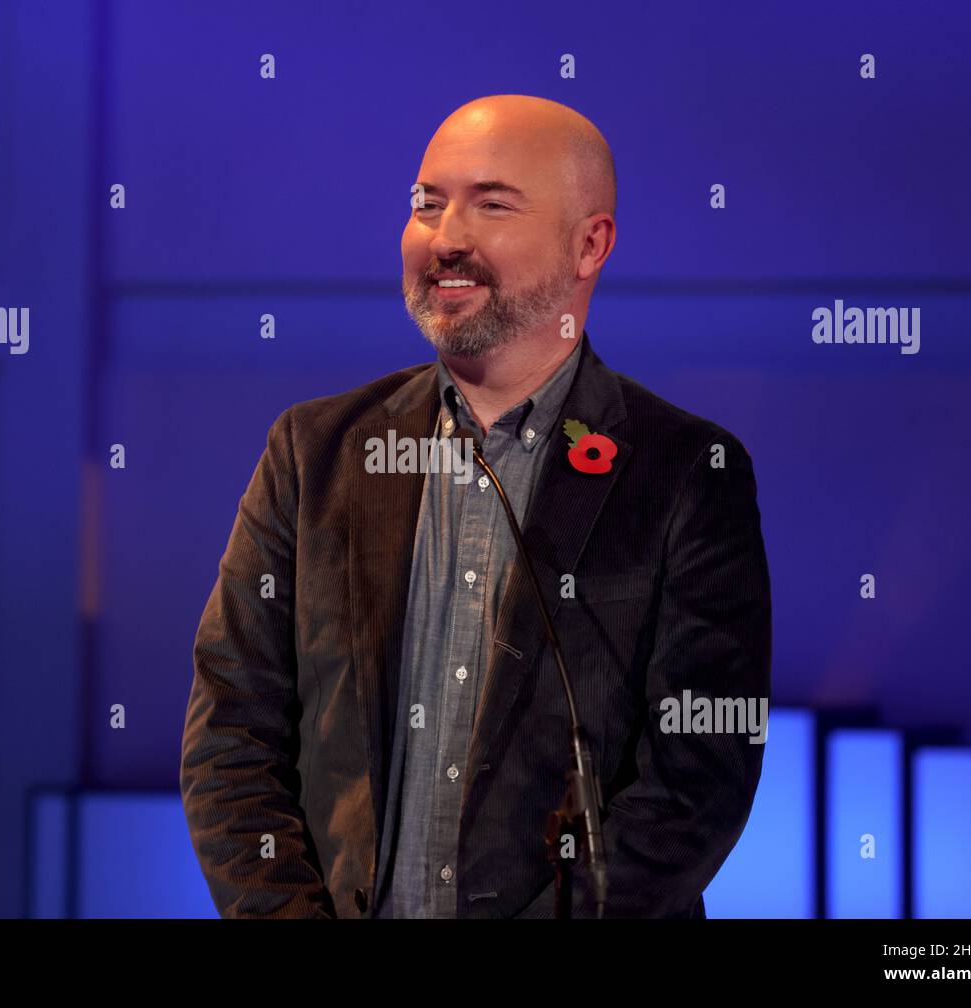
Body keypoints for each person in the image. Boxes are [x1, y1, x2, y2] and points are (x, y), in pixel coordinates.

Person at [180, 94, 771, 918]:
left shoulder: (686, 473)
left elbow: (699, 776)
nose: (445, 236)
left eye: (491, 203)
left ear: (589, 244)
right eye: (427, 203)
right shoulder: (313, 452)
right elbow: (230, 737)